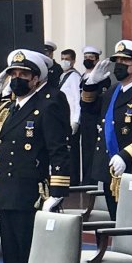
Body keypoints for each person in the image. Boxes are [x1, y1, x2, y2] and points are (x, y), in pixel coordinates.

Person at [0, 50, 71, 263]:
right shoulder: (8, 107)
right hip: (5, 191)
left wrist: (58, 192)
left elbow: (59, 149)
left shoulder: (49, 103)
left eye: (23, 75)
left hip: (29, 191)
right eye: (13, 74)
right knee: (11, 256)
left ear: (35, 79)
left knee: (28, 255)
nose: (16, 79)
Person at [82, 40, 132, 263]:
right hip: (110, 171)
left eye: (124, 62)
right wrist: (90, 85)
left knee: (131, 226)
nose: (119, 66)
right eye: (117, 62)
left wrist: (127, 154)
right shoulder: (113, 91)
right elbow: (89, 112)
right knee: (116, 223)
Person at [79, 46, 109, 183]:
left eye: (91, 58)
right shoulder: (83, 76)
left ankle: (91, 179)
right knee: (85, 149)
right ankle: (86, 177)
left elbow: (100, 100)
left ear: (97, 60)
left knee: (92, 148)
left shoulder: (103, 79)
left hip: (94, 117)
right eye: (86, 58)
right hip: (84, 117)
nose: (88, 60)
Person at [59, 49, 83, 184]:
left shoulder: (74, 77)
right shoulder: (62, 76)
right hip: (63, 119)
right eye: (62, 58)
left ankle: (73, 179)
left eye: (67, 59)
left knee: (72, 151)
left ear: (73, 61)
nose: (64, 61)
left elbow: (77, 99)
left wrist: (76, 120)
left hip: (71, 119)